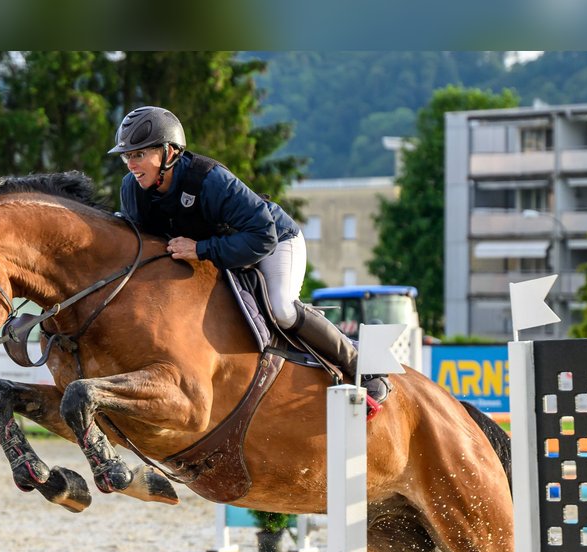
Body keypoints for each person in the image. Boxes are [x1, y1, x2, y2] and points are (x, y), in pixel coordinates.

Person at [108, 105, 389, 404]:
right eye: (127, 156)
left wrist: (201, 249)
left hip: (274, 241)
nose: (131, 165)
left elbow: (262, 236)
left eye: (139, 155)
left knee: (282, 309)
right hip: (219, 255)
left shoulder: (209, 180)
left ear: (169, 151)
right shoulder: (133, 190)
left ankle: (362, 365)